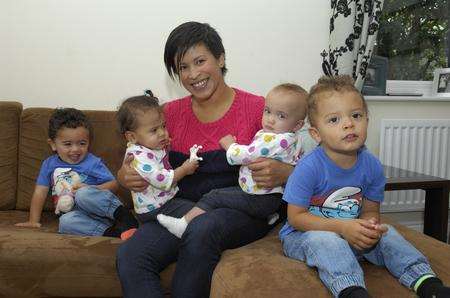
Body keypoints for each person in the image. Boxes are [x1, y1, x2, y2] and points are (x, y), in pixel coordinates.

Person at [115, 21, 298, 298]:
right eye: (183, 67)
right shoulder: (167, 116)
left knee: (203, 228)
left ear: (220, 58)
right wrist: (123, 176)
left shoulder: (260, 109)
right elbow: (138, 158)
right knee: (131, 255)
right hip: (183, 208)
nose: (192, 74)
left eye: (200, 61)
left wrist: (286, 172)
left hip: (241, 208)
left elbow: (308, 160)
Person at [279, 75, 450, 298]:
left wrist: (369, 227)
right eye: (334, 120)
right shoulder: (308, 167)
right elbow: (296, 217)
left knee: (388, 234)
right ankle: (352, 291)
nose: (349, 123)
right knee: (327, 241)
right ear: (316, 133)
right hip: (304, 235)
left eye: (356, 115)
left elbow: (370, 210)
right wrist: (342, 228)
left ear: (367, 120)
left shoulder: (372, 166)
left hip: (350, 232)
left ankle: (429, 285)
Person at [157, 83, 308, 238]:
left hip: (260, 198)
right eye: (267, 111)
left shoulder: (276, 140)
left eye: (281, 116)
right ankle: (268, 215)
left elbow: (247, 155)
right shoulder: (294, 139)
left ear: (298, 124)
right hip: (271, 197)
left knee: (214, 196)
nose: (270, 120)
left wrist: (230, 146)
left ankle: (182, 224)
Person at [15, 108, 138, 239]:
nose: (75, 149)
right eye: (67, 144)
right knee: (65, 222)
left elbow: (113, 185)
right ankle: (113, 233)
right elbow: (40, 192)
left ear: (89, 142)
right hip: (78, 216)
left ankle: (124, 217)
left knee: (83, 194)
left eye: (82, 143)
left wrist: (92, 188)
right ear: (53, 145)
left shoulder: (92, 162)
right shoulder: (49, 164)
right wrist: (33, 220)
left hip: (103, 211)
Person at [116, 91, 199, 224]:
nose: (162, 133)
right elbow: (162, 180)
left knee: (195, 208)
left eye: (163, 126)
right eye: (154, 130)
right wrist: (184, 169)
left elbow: (162, 158)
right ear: (132, 137)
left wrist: (168, 146)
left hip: (165, 201)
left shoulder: (150, 145)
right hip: (155, 209)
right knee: (197, 212)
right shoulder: (138, 156)